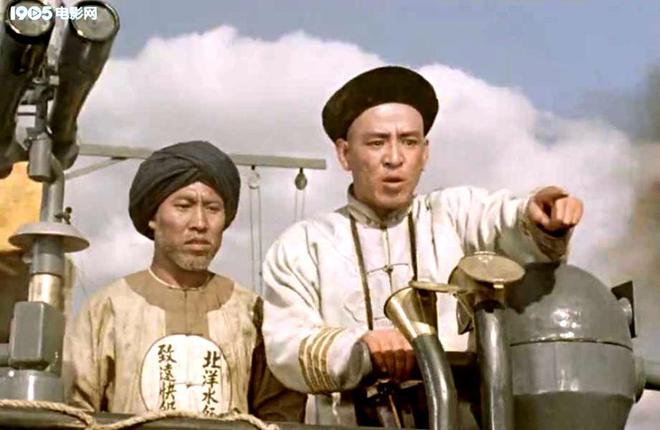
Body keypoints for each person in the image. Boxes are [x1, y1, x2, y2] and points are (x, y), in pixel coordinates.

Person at [261, 66, 584, 426]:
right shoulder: (304, 245)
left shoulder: (456, 214)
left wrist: (539, 218)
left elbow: (504, 219)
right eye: (376, 142)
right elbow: (285, 347)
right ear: (344, 153)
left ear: (425, 153)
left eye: (409, 142)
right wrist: (359, 347)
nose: (394, 158)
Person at [64, 140, 305, 422]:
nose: (200, 223)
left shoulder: (252, 312)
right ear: (153, 216)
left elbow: (281, 414)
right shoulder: (107, 309)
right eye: (184, 206)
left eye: (212, 208)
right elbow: (73, 414)